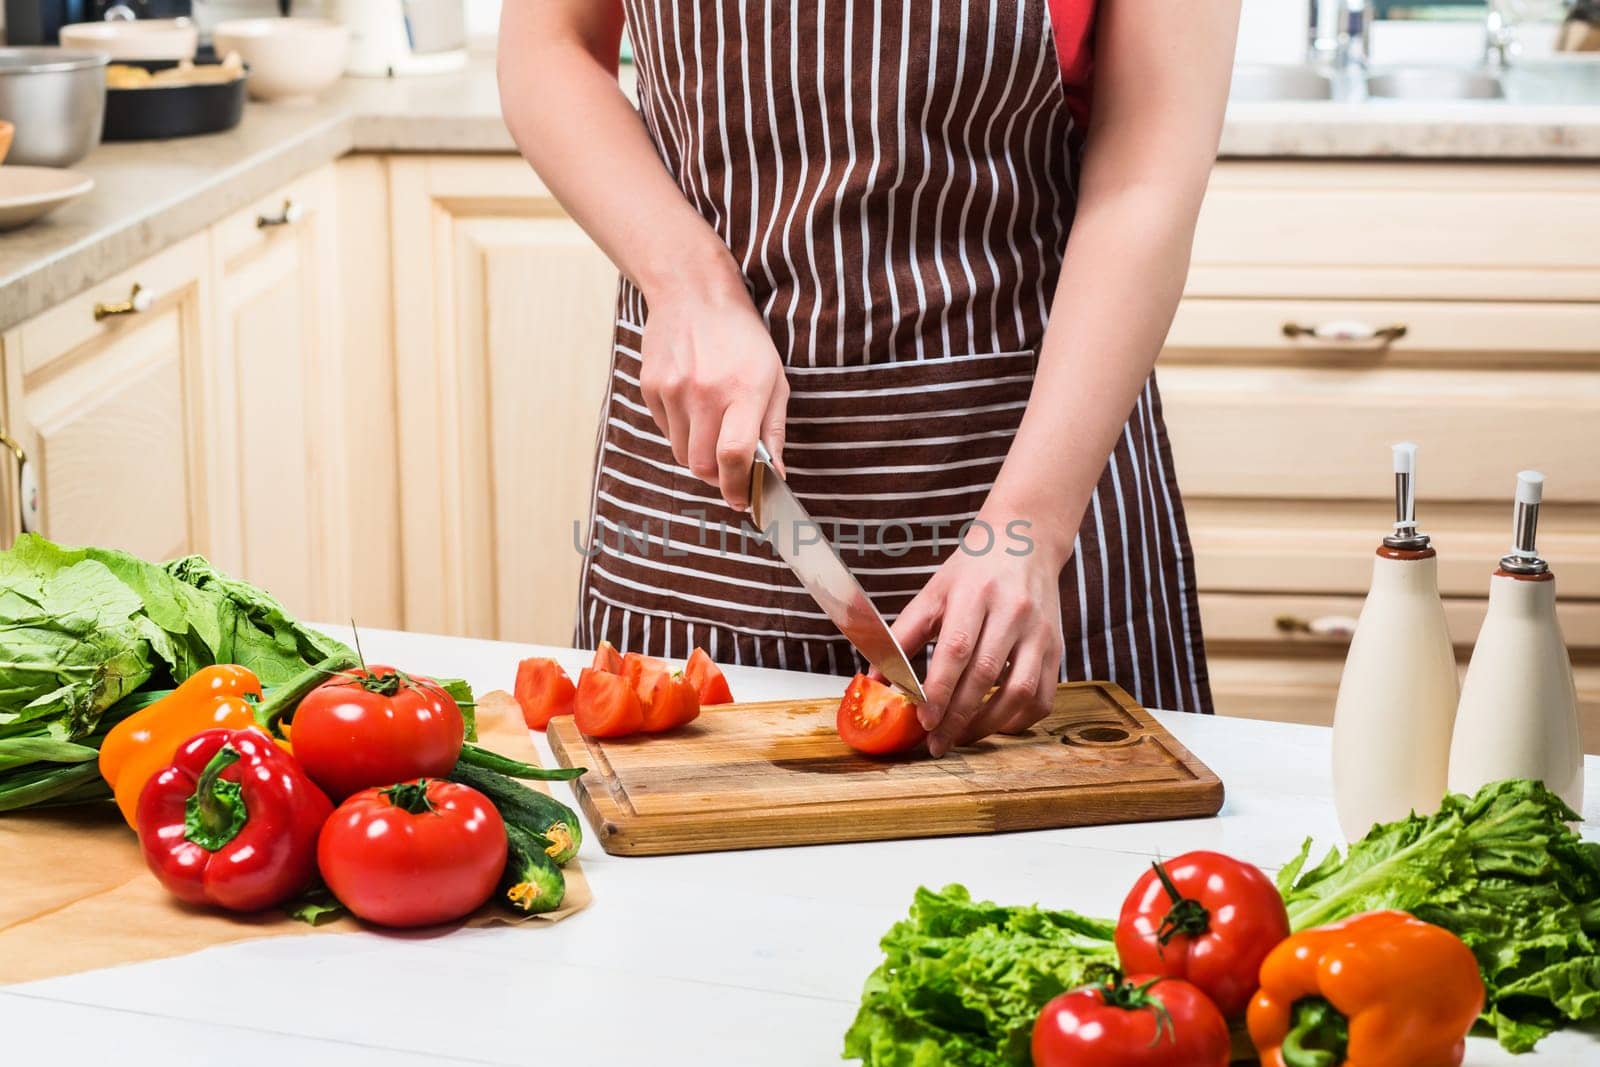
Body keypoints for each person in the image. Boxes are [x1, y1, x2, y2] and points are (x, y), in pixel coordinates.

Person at [499, 0, 1241, 756]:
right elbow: (549, 48)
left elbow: (1145, 179)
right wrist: (687, 279)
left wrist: (1034, 527)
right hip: (706, 467)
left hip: (1034, 463)